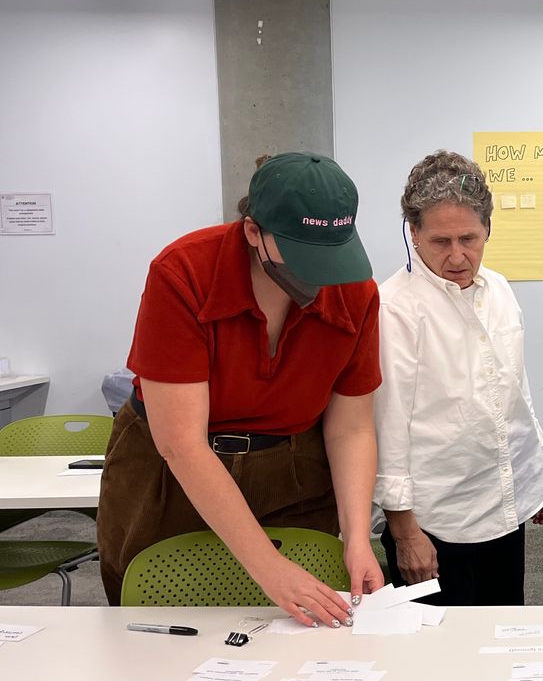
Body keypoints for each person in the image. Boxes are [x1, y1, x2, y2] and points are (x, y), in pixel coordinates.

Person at [97, 152, 385, 622]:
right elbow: (182, 444)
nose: (318, 276)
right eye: (302, 254)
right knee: (161, 631)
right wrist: (269, 567)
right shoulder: (183, 272)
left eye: (329, 256)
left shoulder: (355, 291)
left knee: (301, 634)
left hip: (293, 467)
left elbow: (351, 429)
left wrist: (357, 538)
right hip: (170, 475)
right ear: (254, 232)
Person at [376, 150, 543, 681]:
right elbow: (386, 422)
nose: (456, 255)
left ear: (487, 229)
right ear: (411, 235)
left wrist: (532, 478)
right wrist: (403, 525)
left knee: (494, 641)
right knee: (434, 656)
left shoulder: (500, 290)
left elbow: (513, 395)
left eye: (468, 238)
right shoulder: (395, 308)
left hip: (498, 500)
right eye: (439, 241)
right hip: (435, 516)